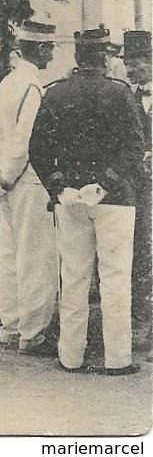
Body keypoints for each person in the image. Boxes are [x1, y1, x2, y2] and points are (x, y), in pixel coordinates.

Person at [29, 26, 145, 375]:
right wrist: (106, 184)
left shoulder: (55, 94)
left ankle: (71, 356)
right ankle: (117, 359)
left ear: (78, 57)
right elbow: (135, 147)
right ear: (106, 58)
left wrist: (58, 186)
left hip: (70, 200)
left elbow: (37, 148)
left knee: (75, 277)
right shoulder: (121, 93)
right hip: (115, 199)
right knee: (115, 278)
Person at [0, 19, 59, 355]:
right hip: (26, 179)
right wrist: (7, 177)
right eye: (50, 47)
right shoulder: (31, 86)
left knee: (10, 253)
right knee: (35, 256)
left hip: (5, 179)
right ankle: (32, 333)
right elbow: (23, 139)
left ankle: (10, 326)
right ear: (41, 49)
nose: (52, 53)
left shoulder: (8, 82)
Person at [123, 29, 152, 347]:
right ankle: (142, 321)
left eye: (138, 63)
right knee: (141, 253)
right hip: (137, 189)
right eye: (128, 64)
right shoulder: (127, 98)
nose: (132, 70)